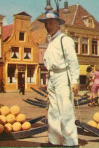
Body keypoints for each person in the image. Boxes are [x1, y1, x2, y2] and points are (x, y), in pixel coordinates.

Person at [38, 10, 79, 147]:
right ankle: (54, 141)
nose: (47, 26)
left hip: (63, 76)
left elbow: (73, 61)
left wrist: (74, 81)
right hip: (52, 76)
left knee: (65, 110)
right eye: (46, 23)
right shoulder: (51, 41)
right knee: (53, 110)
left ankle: (70, 143)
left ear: (58, 24)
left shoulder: (64, 40)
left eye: (50, 23)